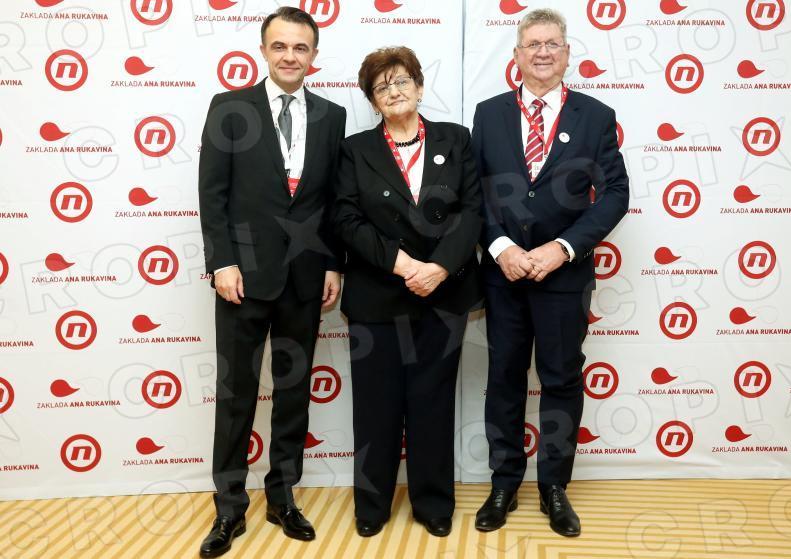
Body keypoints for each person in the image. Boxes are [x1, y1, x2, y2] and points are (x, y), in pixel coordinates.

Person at [471, 8, 629, 537]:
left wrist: (563, 248)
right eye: (533, 44)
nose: (542, 52)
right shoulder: (488, 114)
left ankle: (554, 487)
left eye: (552, 44)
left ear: (566, 54)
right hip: (504, 275)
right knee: (504, 378)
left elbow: (615, 194)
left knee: (561, 380)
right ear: (517, 56)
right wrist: (499, 246)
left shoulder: (596, 115)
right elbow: (475, 192)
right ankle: (504, 483)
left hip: (563, 277)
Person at [197, 7, 346, 557]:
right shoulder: (229, 107)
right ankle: (229, 507)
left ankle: (282, 497)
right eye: (280, 46)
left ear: (313, 56)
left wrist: (333, 264)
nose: (290, 56)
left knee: (293, 395)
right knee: (236, 395)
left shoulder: (331, 116)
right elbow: (212, 192)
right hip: (241, 278)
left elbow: (333, 201)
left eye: (300, 48)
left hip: (304, 279)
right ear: (263, 50)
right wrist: (222, 262)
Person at [332, 47, 482, 538]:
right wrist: (403, 264)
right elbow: (345, 219)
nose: (393, 91)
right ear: (372, 100)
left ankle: (433, 503)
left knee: (432, 403)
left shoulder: (456, 139)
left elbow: (472, 211)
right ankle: (371, 506)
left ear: (418, 86)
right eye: (382, 87)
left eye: (401, 81)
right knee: (374, 407)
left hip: (442, 294)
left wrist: (439, 267)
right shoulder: (355, 149)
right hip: (377, 295)